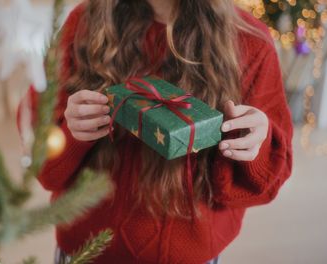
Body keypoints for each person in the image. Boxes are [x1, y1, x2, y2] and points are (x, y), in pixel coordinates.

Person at [33, 0, 293, 263]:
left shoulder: (251, 43)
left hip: (187, 255)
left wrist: (253, 146)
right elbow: (44, 167)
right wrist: (71, 134)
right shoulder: (84, 23)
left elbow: (265, 183)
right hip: (83, 250)